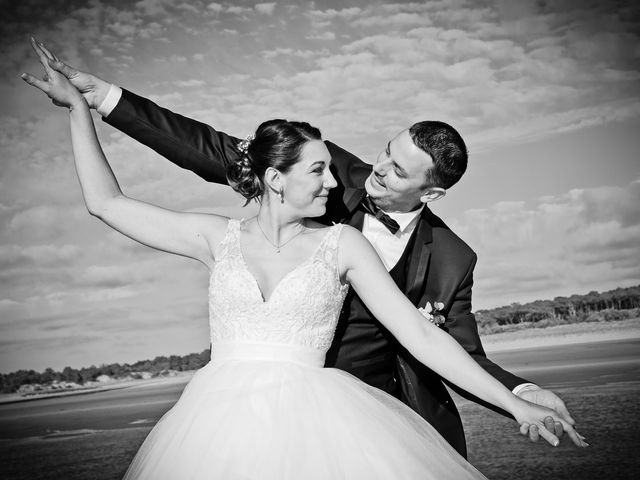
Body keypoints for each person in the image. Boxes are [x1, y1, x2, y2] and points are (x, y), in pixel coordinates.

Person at [23, 40, 586, 479]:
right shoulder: (217, 238)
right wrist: (88, 106)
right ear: (274, 179)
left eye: (395, 170)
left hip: (350, 424)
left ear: (431, 193)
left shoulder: (360, 247)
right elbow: (111, 201)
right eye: (383, 153)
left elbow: (429, 338)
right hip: (213, 428)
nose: (360, 175)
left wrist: (517, 399)